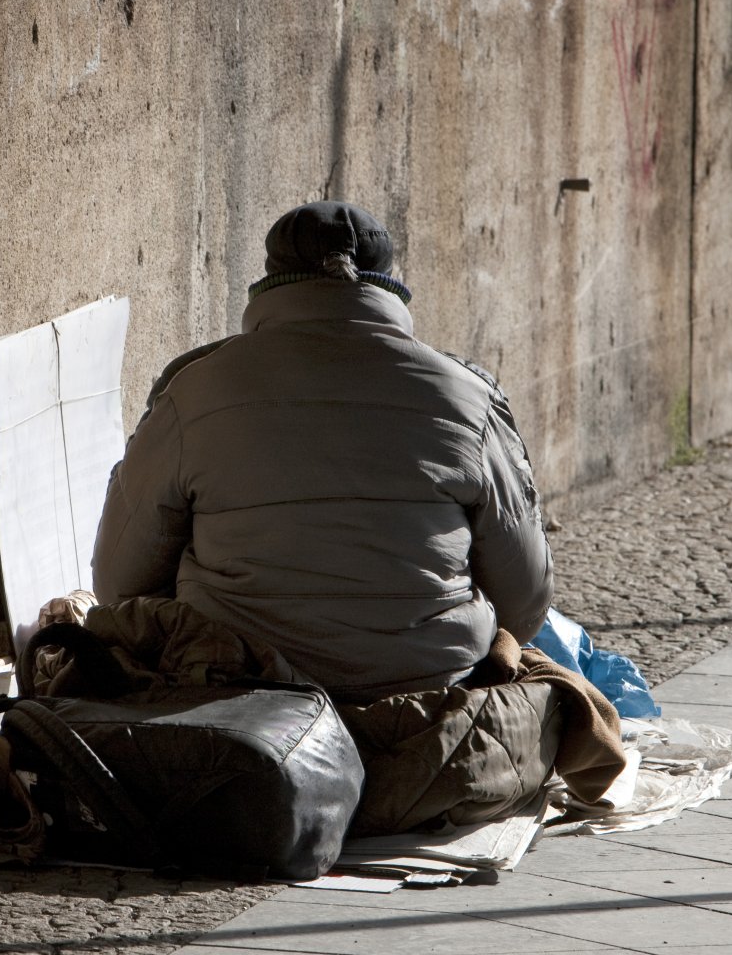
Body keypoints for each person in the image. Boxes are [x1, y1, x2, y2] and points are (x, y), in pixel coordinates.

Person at [92, 201, 553, 703]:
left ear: (271, 282)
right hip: (424, 696)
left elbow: (118, 584)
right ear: (389, 285)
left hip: (241, 694)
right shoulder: (469, 397)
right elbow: (525, 602)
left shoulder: (193, 390)